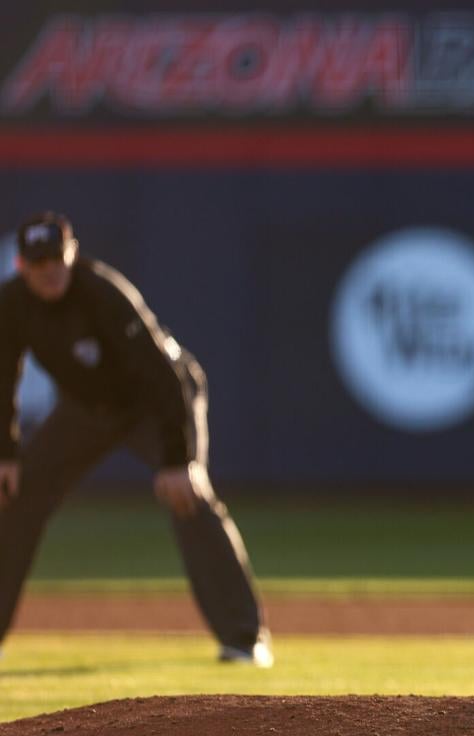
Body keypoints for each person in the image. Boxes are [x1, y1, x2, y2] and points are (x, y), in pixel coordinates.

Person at [0, 212, 272, 667]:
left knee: (189, 497)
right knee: (15, 496)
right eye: (37, 262)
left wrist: (177, 459)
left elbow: (162, 376)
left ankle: (245, 638)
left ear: (72, 256)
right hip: (87, 409)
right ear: (23, 265)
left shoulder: (103, 294)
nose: (49, 271)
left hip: (156, 402)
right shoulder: (11, 305)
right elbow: (2, 377)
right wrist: (5, 453)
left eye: (56, 260)